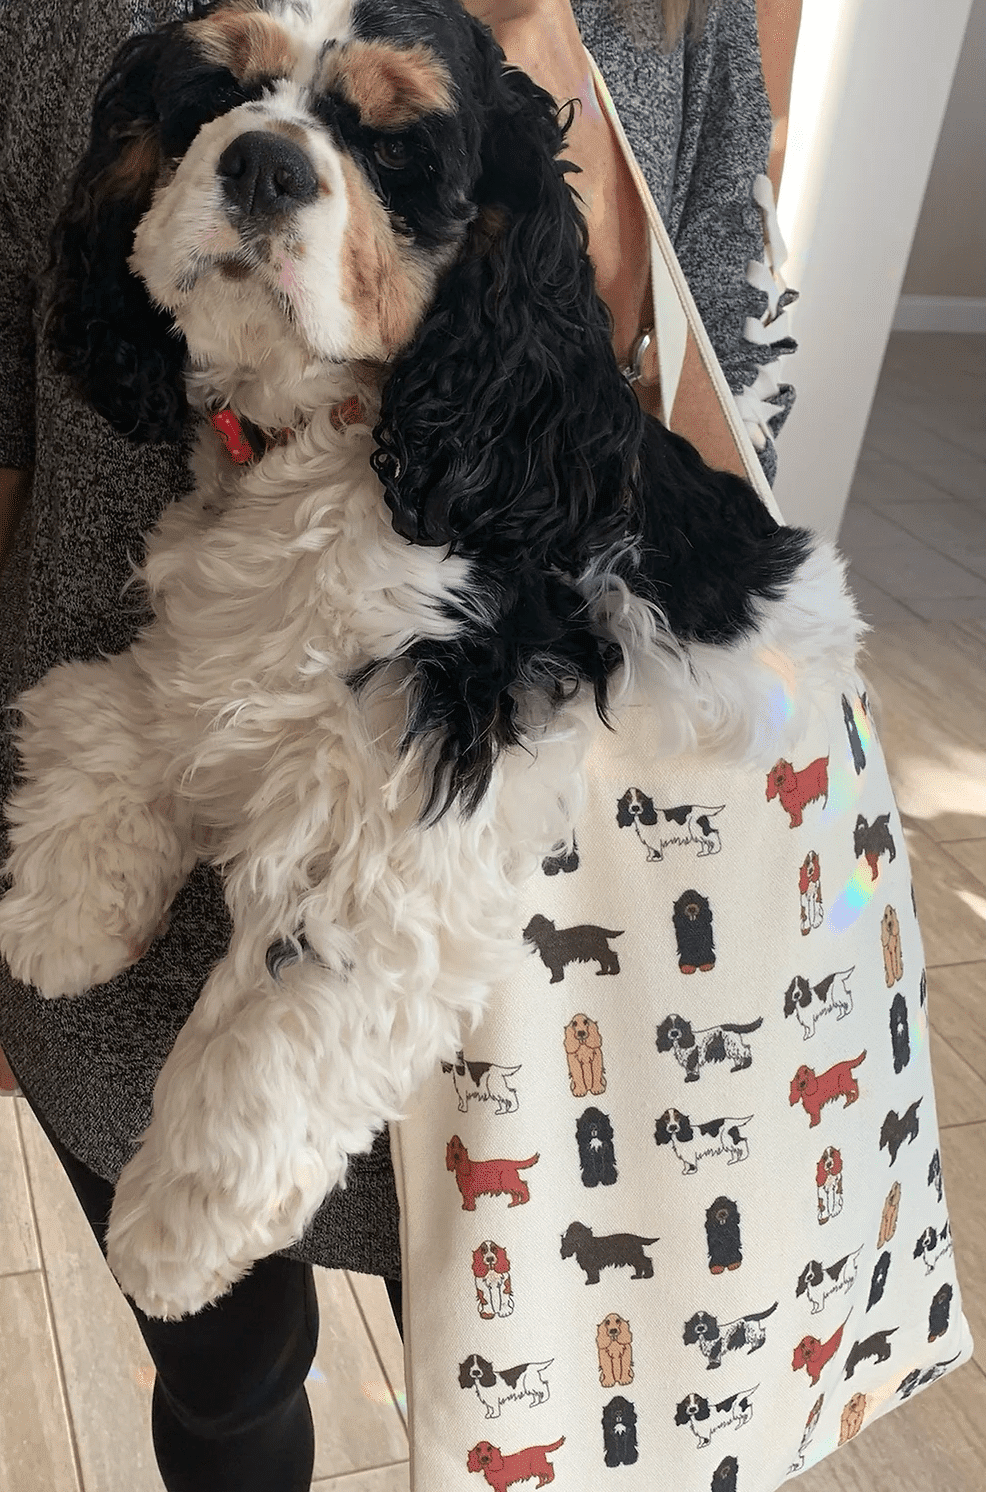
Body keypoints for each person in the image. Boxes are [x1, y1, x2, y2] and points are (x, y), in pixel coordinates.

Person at [0, 1, 802, 1487]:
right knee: (222, 1376)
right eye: (230, 105)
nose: (271, 155)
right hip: (127, 999)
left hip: (582, 996)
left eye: (381, 138)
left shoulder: (665, 24)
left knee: (556, 1373)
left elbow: (737, 371)